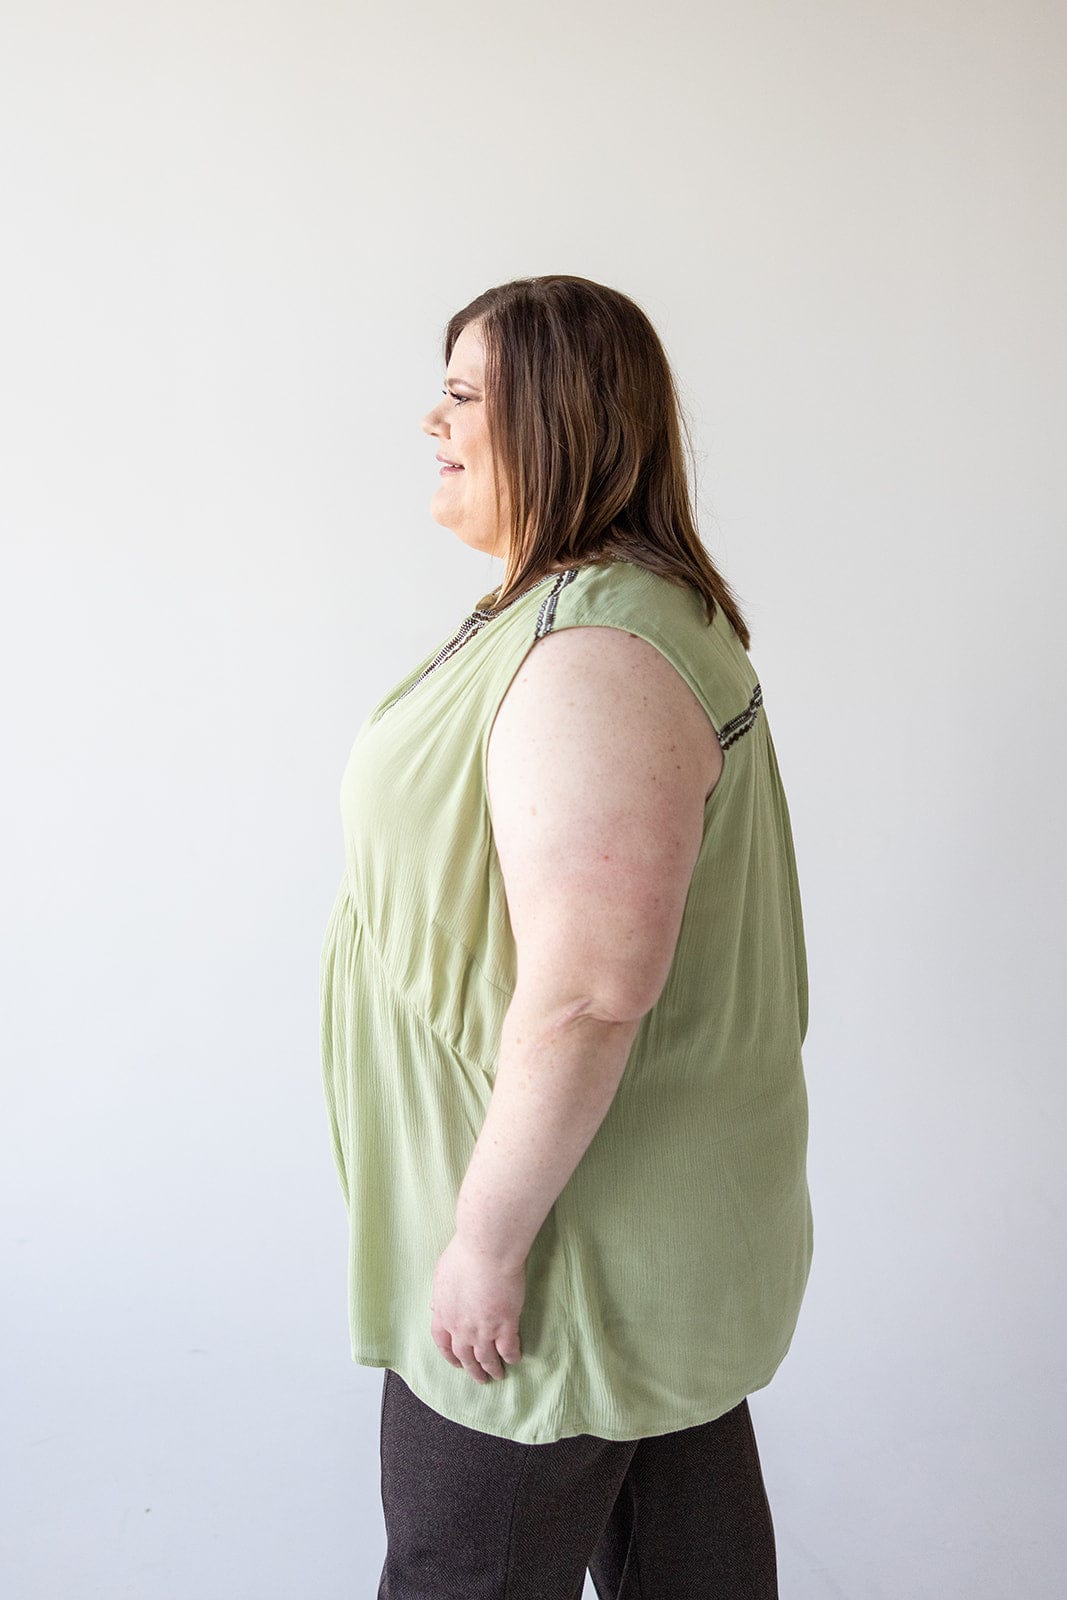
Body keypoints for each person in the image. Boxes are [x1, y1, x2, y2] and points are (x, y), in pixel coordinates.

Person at [319, 275, 814, 1599]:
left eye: (466, 392)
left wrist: (486, 1245)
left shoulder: (594, 650)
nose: (433, 417)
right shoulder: (585, 611)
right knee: (691, 1573)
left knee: (459, 1576)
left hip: (560, 1238)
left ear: (560, 417)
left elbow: (591, 995)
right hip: (606, 1220)